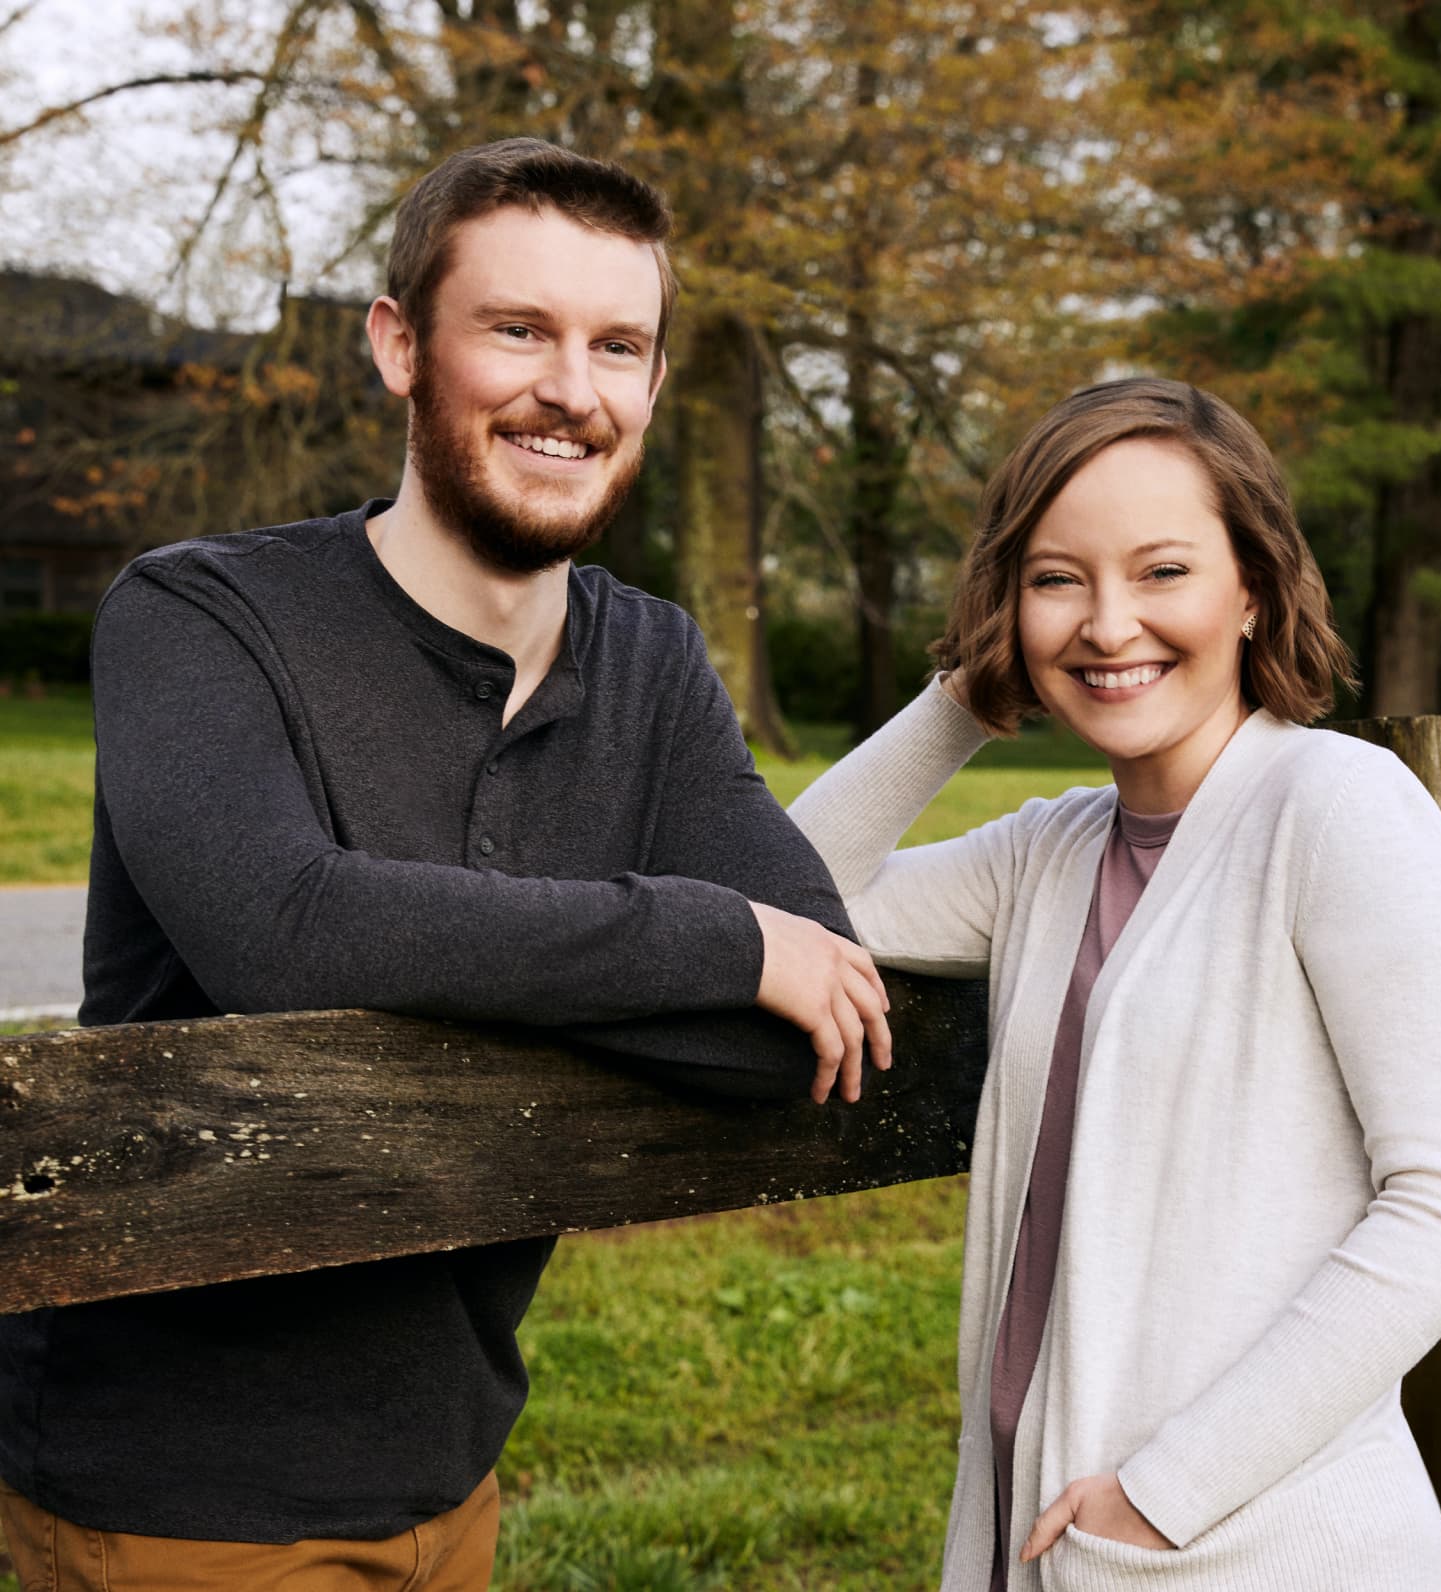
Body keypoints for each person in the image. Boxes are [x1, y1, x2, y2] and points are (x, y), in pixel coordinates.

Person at [0, 138, 891, 1589]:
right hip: (178, 1486)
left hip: (455, 1462)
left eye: (618, 345)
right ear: (401, 345)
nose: (573, 388)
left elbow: (805, 1029)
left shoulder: (652, 660)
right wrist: (719, 944)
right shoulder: (197, 622)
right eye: (518, 329)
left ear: (655, 388)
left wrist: (739, 960)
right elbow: (286, 935)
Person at [788, 377, 1441, 1592]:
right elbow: (787, 893)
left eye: (1162, 570)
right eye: (1055, 579)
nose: (1106, 622)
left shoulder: (1337, 810)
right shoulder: (1046, 850)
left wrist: (1162, 1493)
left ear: (1253, 586)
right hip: (1050, 1537)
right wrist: (966, 696)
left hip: (1254, 1547)